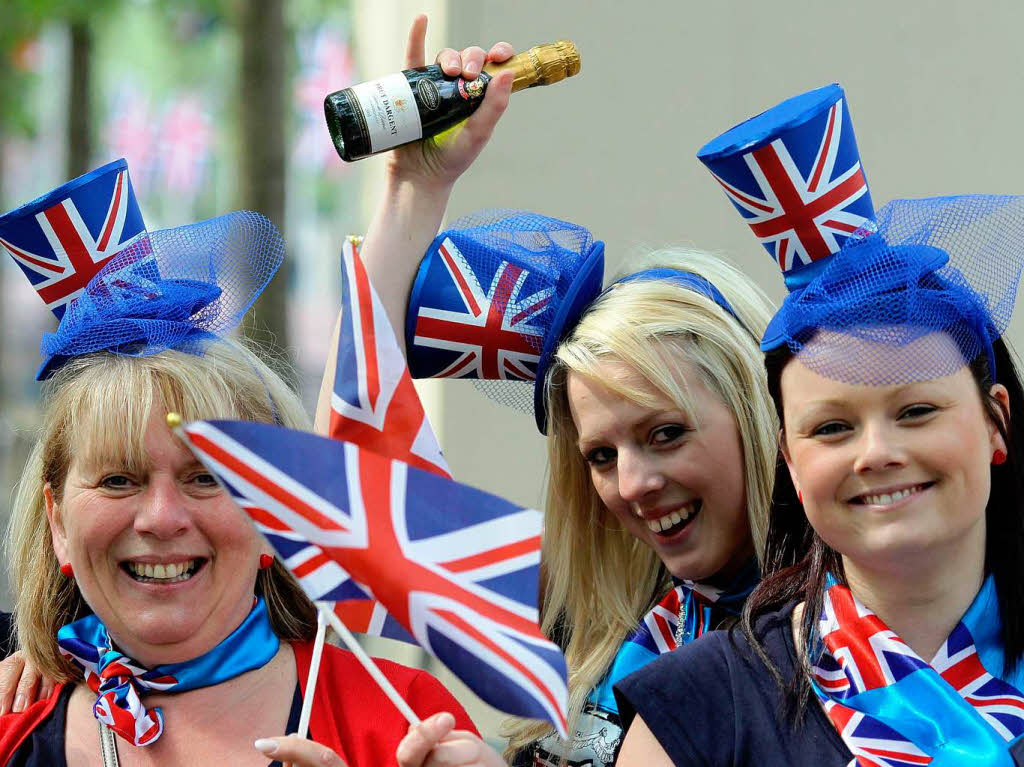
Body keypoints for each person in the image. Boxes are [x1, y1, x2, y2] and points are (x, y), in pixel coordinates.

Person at [319, 17, 780, 766]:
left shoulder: (849, 625)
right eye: (600, 454)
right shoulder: (596, 599)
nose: (633, 482)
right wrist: (415, 189)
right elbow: (345, 496)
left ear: (757, 412)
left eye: (666, 432)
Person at [0, 160, 475, 766]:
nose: (162, 517)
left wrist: (414, 191)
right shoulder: (11, 732)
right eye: (119, 479)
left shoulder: (405, 722)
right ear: (59, 524)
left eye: (208, 477)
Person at [615, 85, 1024, 765]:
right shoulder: (699, 711)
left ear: (996, 424)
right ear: (791, 463)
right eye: (832, 428)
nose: (877, 452)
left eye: (915, 410)